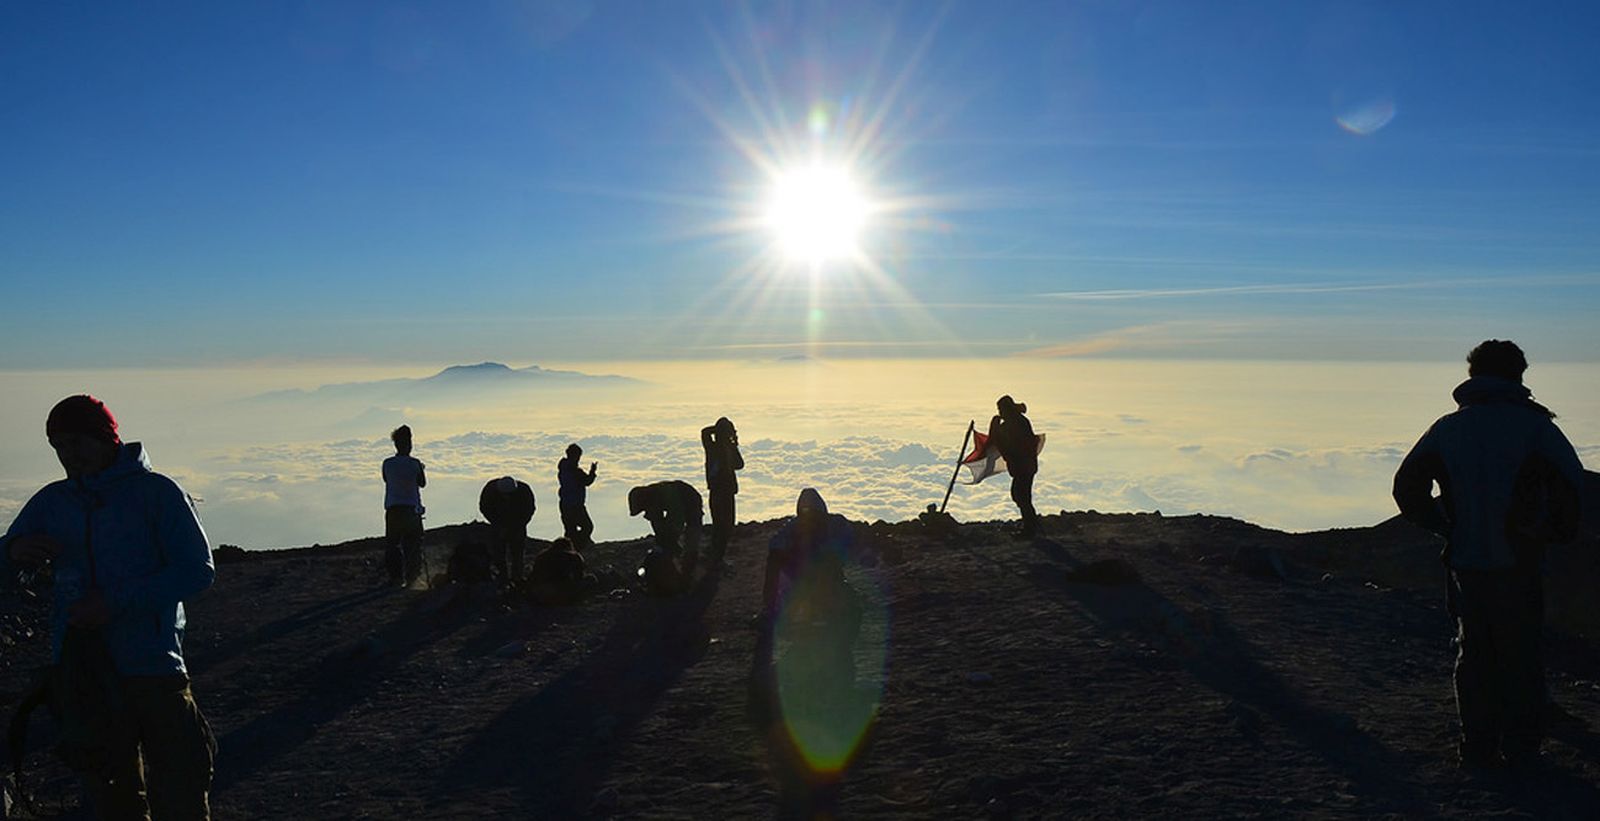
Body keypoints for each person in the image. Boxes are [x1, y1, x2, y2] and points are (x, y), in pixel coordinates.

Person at [1, 394, 216, 820]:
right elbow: (5, 558)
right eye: (58, 446)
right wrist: (13, 551)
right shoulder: (52, 502)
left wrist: (114, 603)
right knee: (111, 797)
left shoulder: (157, 493)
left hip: (154, 667)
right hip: (82, 673)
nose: (68, 455)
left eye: (77, 442)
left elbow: (197, 570)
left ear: (107, 439)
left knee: (181, 792)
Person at [1393, 340, 1584, 770]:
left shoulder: (1446, 428)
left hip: (1466, 561)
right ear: (1518, 374)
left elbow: (1407, 487)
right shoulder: (1536, 429)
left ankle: (1477, 745)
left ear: (1473, 375)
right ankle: (1521, 748)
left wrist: (1444, 527)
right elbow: (1574, 488)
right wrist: (1552, 533)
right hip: (1520, 560)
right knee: (1521, 652)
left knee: (1474, 652)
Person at [627, 480, 705, 576]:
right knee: (666, 539)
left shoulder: (667, 495)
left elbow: (677, 519)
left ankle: (690, 563)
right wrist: (661, 539)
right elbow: (655, 521)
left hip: (690, 498)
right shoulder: (650, 499)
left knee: (692, 532)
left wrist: (671, 539)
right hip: (674, 501)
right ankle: (677, 559)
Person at [988, 395, 1040, 537]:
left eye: (1000, 409)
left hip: (1023, 465)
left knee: (1021, 496)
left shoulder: (1015, 423)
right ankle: (1031, 525)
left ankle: (1030, 528)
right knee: (1020, 495)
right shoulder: (1019, 421)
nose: (999, 412)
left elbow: (999, 440)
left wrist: (995, 427)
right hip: (1025, 465)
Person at [381, 425, 426, 587]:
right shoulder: (415, 464)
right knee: (413, 544)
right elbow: (422, 483)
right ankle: (412, 577)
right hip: (411, 508)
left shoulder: (387, 463)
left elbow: (386, 480)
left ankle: (395, 577)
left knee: (393, 544)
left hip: (393, 508)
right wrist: (421, 469)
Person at [701, 417, 744, 564]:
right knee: (722, 525)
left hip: (724, 492)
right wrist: (724, 432)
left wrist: (732, 443)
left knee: (724, 525)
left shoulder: (721, 447)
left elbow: (739, 464)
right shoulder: (712, 447)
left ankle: (717, 557)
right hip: (721, 492)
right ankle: (716, 558)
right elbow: (705, 432)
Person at [478, 476, 535, 582]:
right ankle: (502, 578)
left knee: (517, 555)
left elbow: (529, 510)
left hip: (517, 526)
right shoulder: (490, 490)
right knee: (498, 553)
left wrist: (517, 527)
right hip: (498, 525)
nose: (507, 496)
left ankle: (517, 578)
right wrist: (498, 525)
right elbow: (484, 507)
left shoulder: (524, 491)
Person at [525, 537, 592, 606]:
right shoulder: (573, 556)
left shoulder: (542, 555)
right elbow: (578, 576)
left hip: (537, 592)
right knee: (590, 580)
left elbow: (533, 575)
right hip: (557, 592)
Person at [557, 443, 598, 550]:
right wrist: (593, 471)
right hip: (576, 505)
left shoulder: (563, 468)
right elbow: (587, 481)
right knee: (587, 526)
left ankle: (568, 549)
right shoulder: (575, 471)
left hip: (565, 504)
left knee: (570, 529)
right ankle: (579, 546)